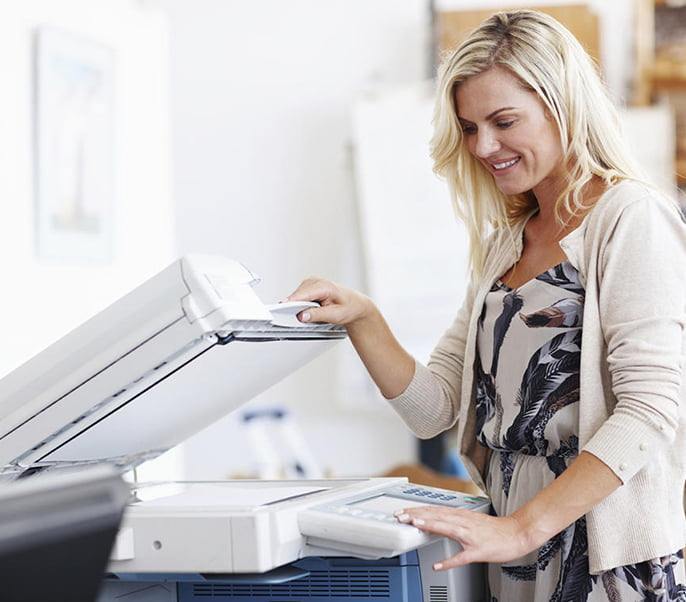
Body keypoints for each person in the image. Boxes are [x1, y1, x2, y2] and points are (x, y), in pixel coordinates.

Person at [287, 9, 686, 601]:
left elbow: (652, 407)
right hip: (512, 548)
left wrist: (524, 528)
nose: (484, 146)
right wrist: (363, 318)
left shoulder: (629, 218)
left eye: (503, 121)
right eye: (470, 128)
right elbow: (434, 409)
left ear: (563, 105)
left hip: (599, 558)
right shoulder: (509, 240)